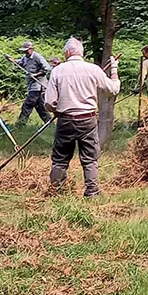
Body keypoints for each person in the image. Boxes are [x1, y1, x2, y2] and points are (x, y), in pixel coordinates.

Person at [43, 37, 120, 197]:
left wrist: (55, 110)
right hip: (88, 120)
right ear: (81, 53)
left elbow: (49, 102)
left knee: (60, 158)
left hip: (66, 120)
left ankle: (55, 191)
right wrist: (114, 70)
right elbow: (113, 89)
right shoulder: (93, 69)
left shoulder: (57, 70)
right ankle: (92, 191)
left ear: (68, 52)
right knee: (90, 158)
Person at [13, 40, 53, 127]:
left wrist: (36, 74)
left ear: (31, 49)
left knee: (28, 104)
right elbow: (21, 63)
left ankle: (20, 124)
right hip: (31, 85)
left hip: (38, 85)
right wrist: (13, 60)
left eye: (26, 50)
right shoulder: (25, 57)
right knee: (40, 107)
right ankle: (50, 124)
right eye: (24, 51)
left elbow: (47, 68)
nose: (25, 52)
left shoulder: (37, 57)